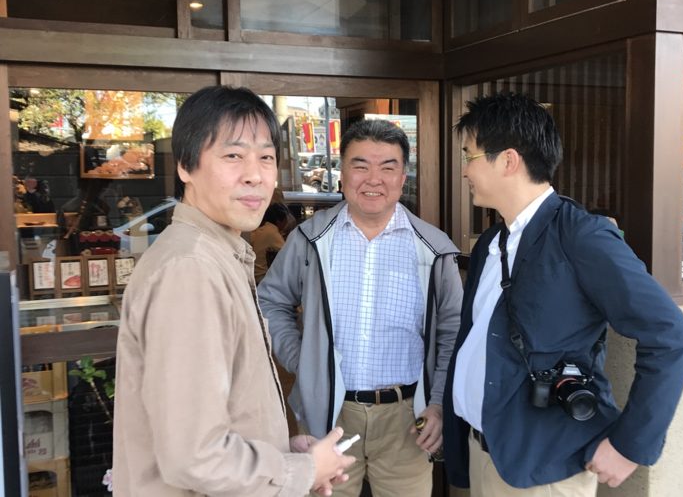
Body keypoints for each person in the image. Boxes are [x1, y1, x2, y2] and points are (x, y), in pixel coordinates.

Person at [443, 92, 683, 496]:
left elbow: (673, 338)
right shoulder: (492, 241)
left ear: (508, 161)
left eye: (469, 155)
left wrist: (630, 445)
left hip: (545, 469)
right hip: (486, 453)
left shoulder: (581, 236)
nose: (464, 170)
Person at [112, 85, 354, 496]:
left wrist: (283, 454)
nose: (255, 175)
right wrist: (302, 472)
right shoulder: (191, 270)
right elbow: (195, 455)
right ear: (186, 166)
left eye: (266, 157)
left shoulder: (220, 254)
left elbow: (223, 414)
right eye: (233, 156)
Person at [258, 119, 463, 496]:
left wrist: (437, 404)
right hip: (329, 413)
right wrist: (304, 361)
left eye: (387, 167)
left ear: (403, 178)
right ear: (342, 174)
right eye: (361, 165)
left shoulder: (433, 248)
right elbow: (270, 301)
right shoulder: (310, 239)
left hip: (407, 417)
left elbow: (453, 332)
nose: (374, 179)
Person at [251, 202, 292, 283]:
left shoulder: (261, 230)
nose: (287, 223)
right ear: (279, 221)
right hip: (263, 277)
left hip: (255, 276)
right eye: (285, 220)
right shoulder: (272, 233)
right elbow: (288, 254)